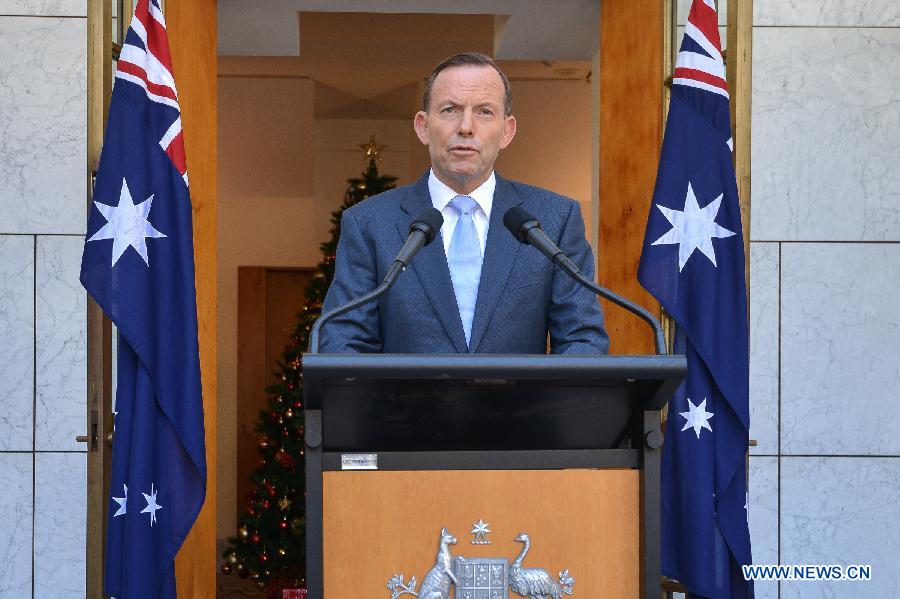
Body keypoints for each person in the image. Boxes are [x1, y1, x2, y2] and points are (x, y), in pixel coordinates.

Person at [320, 52, 609, 355]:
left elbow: (582, 340)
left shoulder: (554, 219)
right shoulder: (369, 223)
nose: (466, 127)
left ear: (507, 131)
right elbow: (344, 343)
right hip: (404, 403)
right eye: (449, 110)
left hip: (523, 404)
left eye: (484, 112)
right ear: (422, 126)